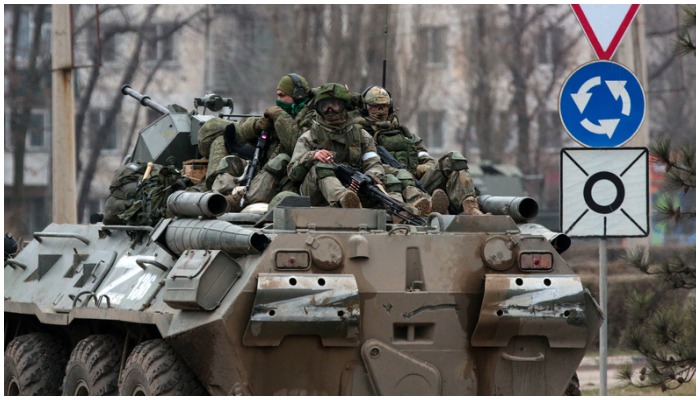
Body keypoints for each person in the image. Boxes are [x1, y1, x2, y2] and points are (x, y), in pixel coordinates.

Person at [360, 85, 484, 215]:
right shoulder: (362, 134)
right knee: (401, 177)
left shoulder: (405, 135)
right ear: (365, 108)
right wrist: (401, 173)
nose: (380, 111)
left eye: (384, 106)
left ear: (389, 108)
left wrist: (422, 168)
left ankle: (470, 206)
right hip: (390, 188)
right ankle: (429, 206)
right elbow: (370, 166)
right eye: (374, 107)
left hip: (419, 183)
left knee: (454, 158)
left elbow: (427, 159)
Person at [197, 73, 312, 210]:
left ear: (298, 95)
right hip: (261, 169)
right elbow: (239, 133)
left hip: (285, 178)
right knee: (225, 149)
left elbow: (296, 144)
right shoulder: (280, 115)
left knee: (280, 159)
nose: (278, 100)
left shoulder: (311, 118)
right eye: (277, 95)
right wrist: (256, 125)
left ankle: (233, 202)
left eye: (282, 95)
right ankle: (213, 195)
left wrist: (279, 116)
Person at [287, 83, 385, 209]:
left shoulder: (361, 136)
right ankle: (344, 199)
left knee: (388, 179)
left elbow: (373, 163)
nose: (329, 110)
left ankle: (403, 210)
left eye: (334, 105)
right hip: (315, 196)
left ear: (345, 106)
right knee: (321, 166)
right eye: (324, 106)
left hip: (355, 190)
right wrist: (313, 156)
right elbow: (293, 174)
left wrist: (370, 176)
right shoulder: (310, 137)